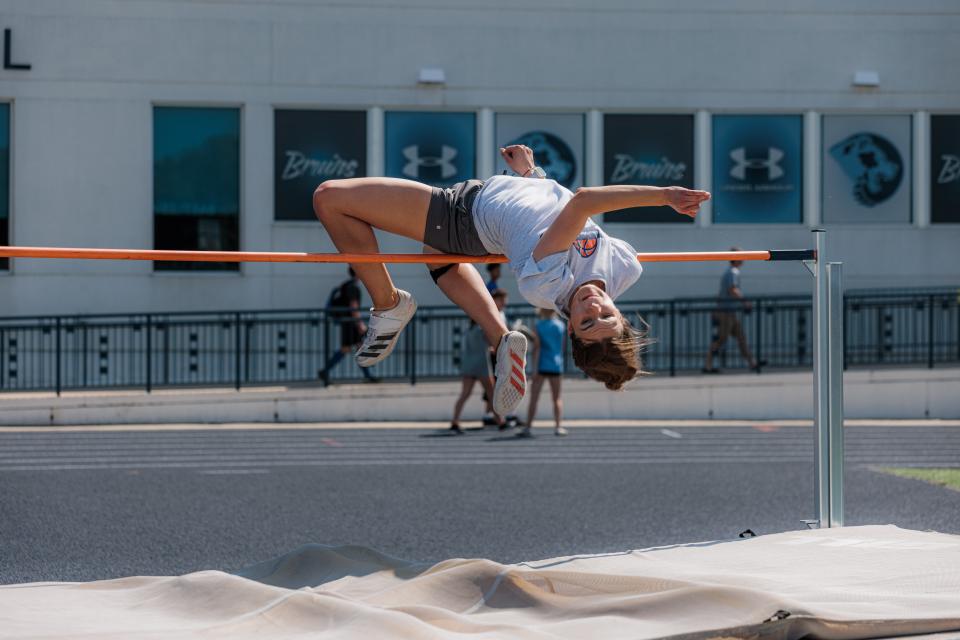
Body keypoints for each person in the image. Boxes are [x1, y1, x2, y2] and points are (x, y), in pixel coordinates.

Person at [312, 143, 709, 415]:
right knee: (437, 259)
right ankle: (500, 338)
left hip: (462, 215)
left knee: (330, 197)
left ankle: (387, 303)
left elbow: (585, 201)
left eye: (587, 322)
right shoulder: (625, 266)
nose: (593, 308)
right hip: (492, 217)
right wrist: (531, 176)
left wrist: (665, 195)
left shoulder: (547, 286)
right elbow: (554, 217)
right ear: (621, 316)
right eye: (606, 316)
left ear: (570, 328)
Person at [703, 249, 762, 373]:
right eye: (741, 256)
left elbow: (722, 293)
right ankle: (707, 365)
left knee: (741, 337)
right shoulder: (732, 272)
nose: (744, 259)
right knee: (721, 339)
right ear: (736, 258)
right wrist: (745, 302)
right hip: (726, 312)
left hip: (730, 312)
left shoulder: (729, 272)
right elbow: (732, 289)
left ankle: (752, 363)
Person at [319, 267, 379, 385]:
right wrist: (360, 324)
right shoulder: (353, 288)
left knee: (356, 347)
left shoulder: (345, 285)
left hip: (346, 322)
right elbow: (353, 307)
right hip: (351, 323)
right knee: (353, 348)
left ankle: (368, 375)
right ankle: (368, 376)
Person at [449, 320, 502, 434]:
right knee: (492, 393)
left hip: (468, 364)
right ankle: (500, 421)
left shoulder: (469, 330)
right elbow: (492, 343)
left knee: (464, 394)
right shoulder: (483, 329)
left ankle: (455, 420)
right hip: (482, 364)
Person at [520, 308, 567, 437]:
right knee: (556, 398)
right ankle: (558, 427)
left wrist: (534, 369)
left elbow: (537, 348)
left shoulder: (539, 325)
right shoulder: (561, 325)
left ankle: (528, 427)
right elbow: (562, 347)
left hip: (541, 365)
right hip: (556, 365)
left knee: (534, 398)